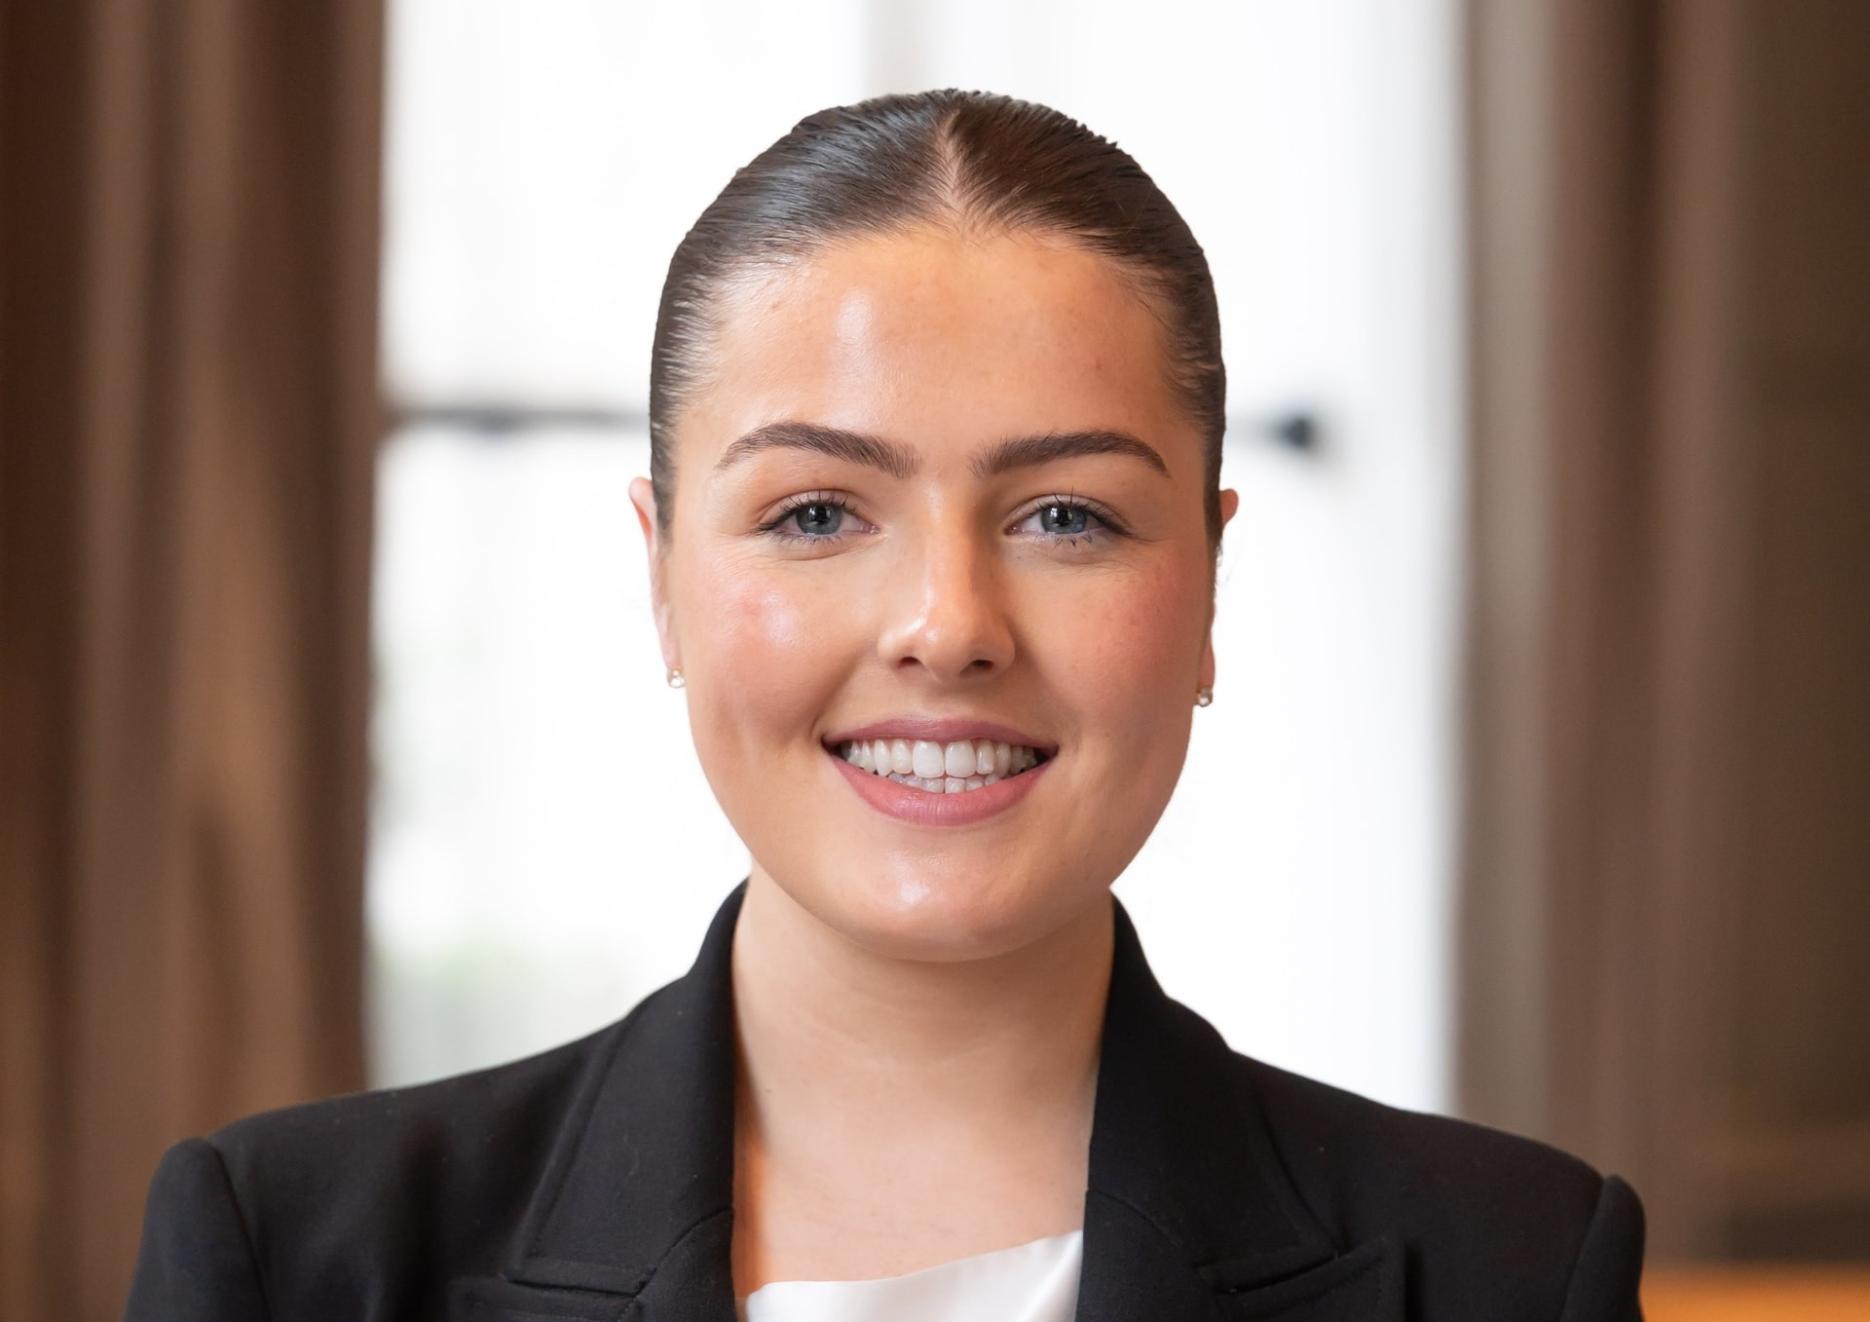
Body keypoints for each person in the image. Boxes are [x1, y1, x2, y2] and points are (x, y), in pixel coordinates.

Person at [124, 89, 1645, 1322]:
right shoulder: (301, 1258)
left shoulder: (1509, 1268)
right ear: (660, 575)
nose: (946, 626)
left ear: (1208, 581)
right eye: (813, 513)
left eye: (1066, 517)